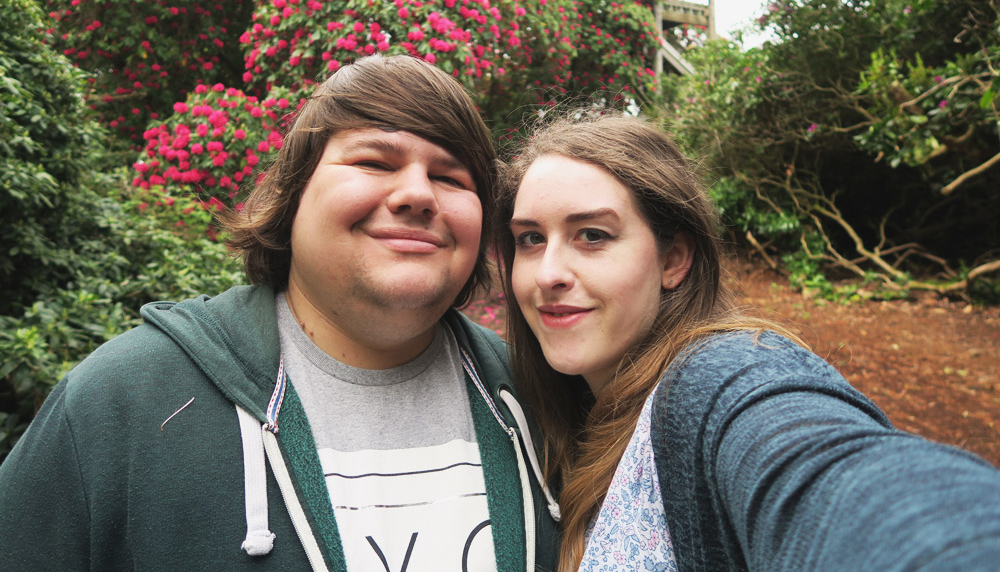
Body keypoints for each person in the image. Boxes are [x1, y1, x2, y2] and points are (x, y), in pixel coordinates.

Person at [0, 55, 559, 571]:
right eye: (372, 161)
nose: (418, 194)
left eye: (450, 176)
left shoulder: (546, 401)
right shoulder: (121, 401)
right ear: (292, 198)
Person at [493, 114, 1000, 572]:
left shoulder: (721, 377)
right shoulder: (549, 411)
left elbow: (842, 486)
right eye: (530, 239)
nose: (549, 274)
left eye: (593, 235)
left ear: (674, 261)